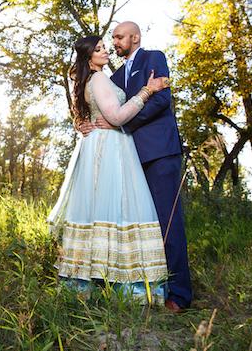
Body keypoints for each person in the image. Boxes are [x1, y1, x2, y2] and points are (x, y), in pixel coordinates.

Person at [47, 35, 170, 304]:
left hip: (99, 146)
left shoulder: (94, 79)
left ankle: (90, 281)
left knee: (99, 210)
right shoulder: (99, 78)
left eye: (105, 46)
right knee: (121, 207)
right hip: (111, 146)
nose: (105, 51)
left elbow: (90, 112)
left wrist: (82, 122)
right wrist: (146, 91)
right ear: (88, 56)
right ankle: (126, 285)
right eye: (99, 48)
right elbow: (115, 117)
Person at [81, 21, 192, 313]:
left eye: (119, 37)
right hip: (127, 160)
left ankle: (180, 295)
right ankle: (149, 285)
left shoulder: (154, 58)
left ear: (135, 37)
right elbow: (107, 106)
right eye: (113, 39)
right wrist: (87, 123)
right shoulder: (114, 75)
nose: (114, 42)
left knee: (168, 223)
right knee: (143, 226)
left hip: (159, 152)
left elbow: (160, 101)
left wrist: (122, 123)